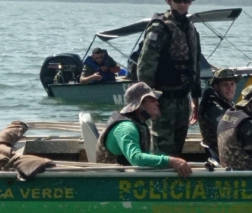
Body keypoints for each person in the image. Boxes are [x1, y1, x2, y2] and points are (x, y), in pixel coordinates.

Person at [137, 0, 201, 157]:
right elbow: (145, 66)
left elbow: (195, 64)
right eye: (178, 0)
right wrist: (147, 99)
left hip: (182, 100)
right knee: (162, 149)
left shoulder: (190, 28)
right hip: (163, 100)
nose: (182, 4)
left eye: (186, 1)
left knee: (178, 147)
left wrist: (195, 98)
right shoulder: (159, 27)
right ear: (169, 1)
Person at [95, 82, 192, 177]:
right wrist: (171, 161)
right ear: (140, 105)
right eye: (151, 100)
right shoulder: (127, 128)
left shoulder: (138, 123)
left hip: (124, 175)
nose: (157, 103)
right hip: (111, 179)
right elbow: (136, 159)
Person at [198, 68, 239, 153]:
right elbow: (229, 133)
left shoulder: (222, 102)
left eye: (232, 84)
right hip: (225, 152)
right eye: (225, 85)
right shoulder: (214, 108)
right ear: (216, 86)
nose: (230, 88)